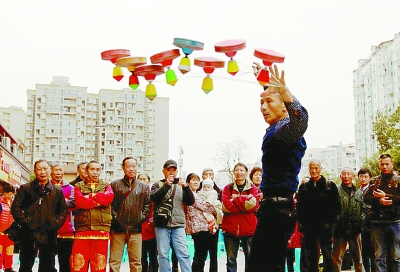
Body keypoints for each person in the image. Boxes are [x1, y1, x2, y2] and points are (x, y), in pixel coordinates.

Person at [247, 63, 308, 271]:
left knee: (268, 265)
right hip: (270, 208)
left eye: (268, 102)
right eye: (261, 102)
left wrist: (283, 90)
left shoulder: (288, 131)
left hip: (279, 209)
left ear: (284, 106)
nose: (263, 107)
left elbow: (301, 121)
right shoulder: (276, 129)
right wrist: (267, 84)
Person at [11, 159, 68, 272]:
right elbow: (15, 208)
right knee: (26, 265)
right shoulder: (25, 188)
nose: (43, 171)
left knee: (47, 265)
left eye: (45, 168)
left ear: (50, 170)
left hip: (49, 233)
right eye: (39, 169)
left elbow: (63, 210)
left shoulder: (57, 191)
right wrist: (26, 222)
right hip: (28, 232)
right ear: (35, 171)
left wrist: (55, 223)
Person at [150, 159, 195, 272]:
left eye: (173, 170)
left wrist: (186, 187)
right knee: (163, 254)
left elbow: (190, 202)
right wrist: (166, 185)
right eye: (168, 170)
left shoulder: (182, 185)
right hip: (161, 224)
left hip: (178, 225)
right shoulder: (158, 184)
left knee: (183, 253)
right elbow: (154, 198)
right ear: (163, 171)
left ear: (177, 171)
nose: (171, 173)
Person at [70, 160, 114, 272]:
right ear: (86, 171)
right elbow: (80, 202)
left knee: (99, 265)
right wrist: (98, 201)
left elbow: (108, 198)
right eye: (92, 169)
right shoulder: (78, 186)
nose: (95, 172)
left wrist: (89, 196)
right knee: (78, 264)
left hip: (101, 228)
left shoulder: (107, 186)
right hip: (82, 228)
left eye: (98, 169)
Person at [297, 160, 341, 272]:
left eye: (316, 168)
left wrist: (333, 225)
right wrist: (302, 226)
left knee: (327, 255)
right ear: (309, 169)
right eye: (311, 168)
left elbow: (337, 207)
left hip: (326, 227)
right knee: (311, 256)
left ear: (321, 168)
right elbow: (300, 208)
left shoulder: (329, 186)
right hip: (309, 228)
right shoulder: (304, 187)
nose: (314, 170)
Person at [109, 157, 151, 272]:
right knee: (114, 261)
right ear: (123, 168)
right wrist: (116, 219)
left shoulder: (143, 187)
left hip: (136, 230)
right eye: (128, 166)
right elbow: (110, 206)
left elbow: (147, 206)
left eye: (134, 166)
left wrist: (140, 219)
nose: (131, 169)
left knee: (136, 262)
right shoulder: (114, 185)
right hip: (118, 230)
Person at [363, 153, 400, 271]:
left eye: (387, 164)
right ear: (379, 165)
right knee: (379, 257)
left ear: (392, 165)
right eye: (382, 164)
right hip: (377, 222)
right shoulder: (375, 181)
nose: (384, 166)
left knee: (396, 256)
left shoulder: (398, 181)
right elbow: (366, 198)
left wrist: (387, 196)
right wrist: (379, 200)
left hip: (395, 221)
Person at [222, 162, 259, 272]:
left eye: (241, 170)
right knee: (231, 260)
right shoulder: (227, 188)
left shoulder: (252, 188)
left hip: (248, 229)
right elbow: (226, 207)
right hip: (230, 229)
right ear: (233, 172)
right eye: (237, 170)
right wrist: (244, 200)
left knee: (250, 259)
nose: (239, 173)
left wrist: (235, 200)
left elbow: (252, 205)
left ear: (246, 172)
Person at [185, 173, 221, 272]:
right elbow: (206, 207)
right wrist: (215, 209)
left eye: (197, 180)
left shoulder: (198, 194)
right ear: (188, 182)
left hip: (204, 228)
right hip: (198, 228)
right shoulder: (191, 194)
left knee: (202, 255)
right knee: (200, 256)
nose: (196, 182)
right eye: (193, 180)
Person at [332, 167, 364, 272]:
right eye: (344, 174)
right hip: (339, 229)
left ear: (353, 176)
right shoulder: (335, 190)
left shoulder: (359, 192)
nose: (346, 176)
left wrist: (361, 222)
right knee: (337, 258)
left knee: (358, 258)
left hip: (355, 229)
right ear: (340, 176)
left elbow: (363, 210)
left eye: (348, 174)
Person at [50, 161, 76, 272]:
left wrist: (56, 202)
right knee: (48, 260)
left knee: (65, 261)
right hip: (48, 228)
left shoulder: (70, 187)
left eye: (60, 170)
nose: (58, 173)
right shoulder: (45, 186)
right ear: (50, 171)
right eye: (56, 170)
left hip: (66, 229)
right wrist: (64, 201)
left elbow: (73, 204)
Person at [138, 173, 159, 272]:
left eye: (144, 179)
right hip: (139, 231)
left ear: (148, 181)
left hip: (152, 231)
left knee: (153, 257)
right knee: (142, 258)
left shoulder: (153, 194)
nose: (142, 180)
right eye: (140, 179)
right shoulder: (135, 194)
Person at [357, 168, 375, 272]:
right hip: (360, 227)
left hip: (372, 226)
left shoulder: (373, 191)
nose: (363, 179)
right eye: (361, 177)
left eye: (365, 177)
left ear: (370, 178)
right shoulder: (356, 191)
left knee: (373, 254)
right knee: (362, 253)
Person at [0, 185, 16, 272]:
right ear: (4, 193)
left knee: (9, 249)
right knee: (0, 250)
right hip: (0, 231)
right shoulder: (0, 202)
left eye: (11, 194)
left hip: (10, 232)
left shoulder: (14, 203)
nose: (9, 196)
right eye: (7, 194)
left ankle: (8, 267)